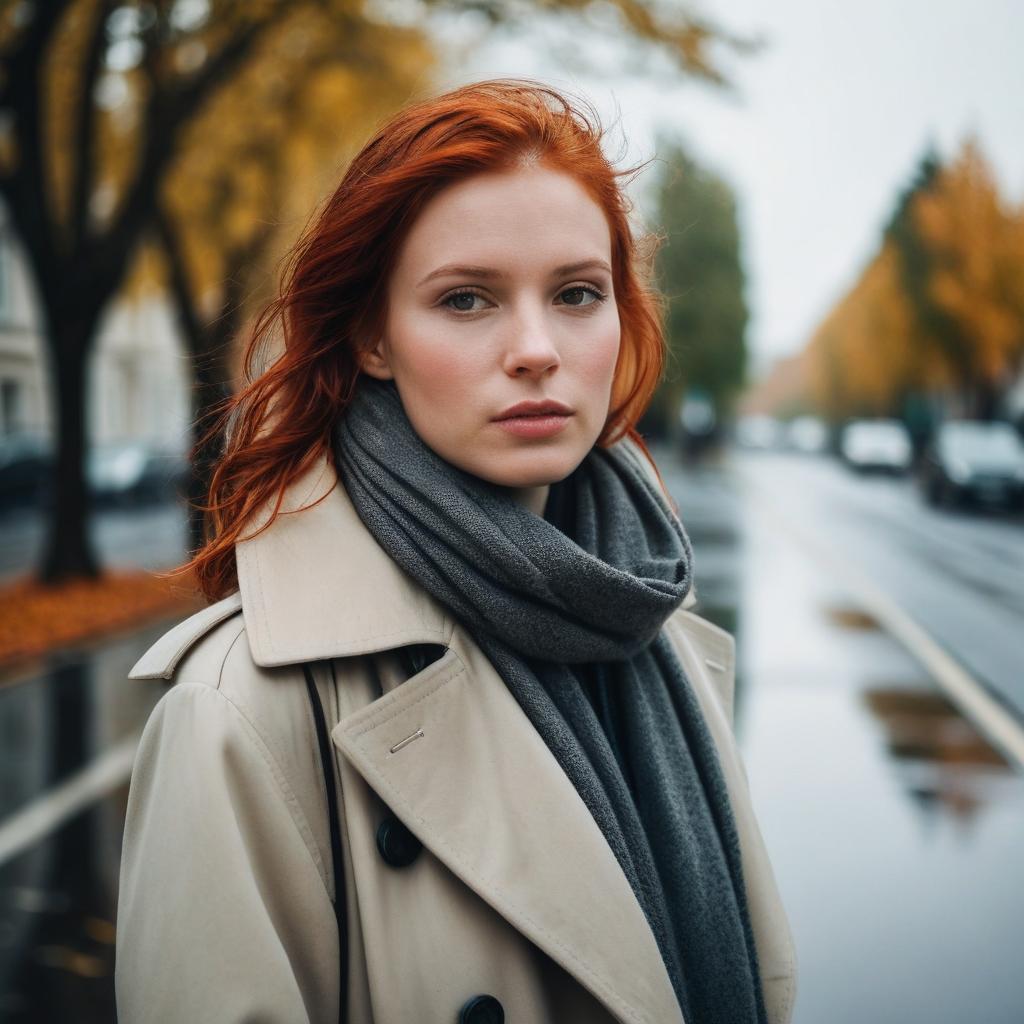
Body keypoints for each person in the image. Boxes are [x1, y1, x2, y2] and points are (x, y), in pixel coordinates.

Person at [114, 78, 797, 1024]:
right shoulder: (242, 707)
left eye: (577, 294)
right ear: (373, 337)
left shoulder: (663, 633)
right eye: (468, 299)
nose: (536, 348)